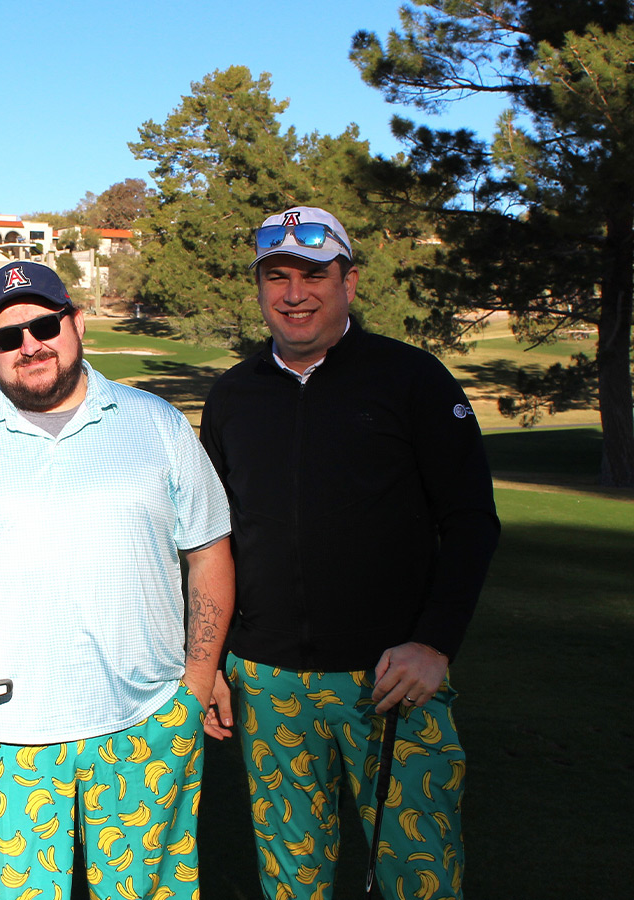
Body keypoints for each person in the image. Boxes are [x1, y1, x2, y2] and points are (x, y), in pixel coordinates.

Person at [0, 262, 235, 900]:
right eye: (7, 336)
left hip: (145, 722)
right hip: (2, 732)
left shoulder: (153, 422)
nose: (29, 345)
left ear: (76, 323)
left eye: (44, 324)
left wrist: (196, 677)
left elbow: (210, 551)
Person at [199, 206, 501, 899]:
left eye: (313, 274)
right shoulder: (233, 395)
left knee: (416, 874)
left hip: (391, 677)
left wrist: (434, 643)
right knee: (290, 877)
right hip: (267, 680)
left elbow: (471, 522)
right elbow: (213, 539)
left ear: (349, 282)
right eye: (277, 276)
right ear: (260, 288)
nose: (294, 293)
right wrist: (210, 661)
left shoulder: (412, 380)